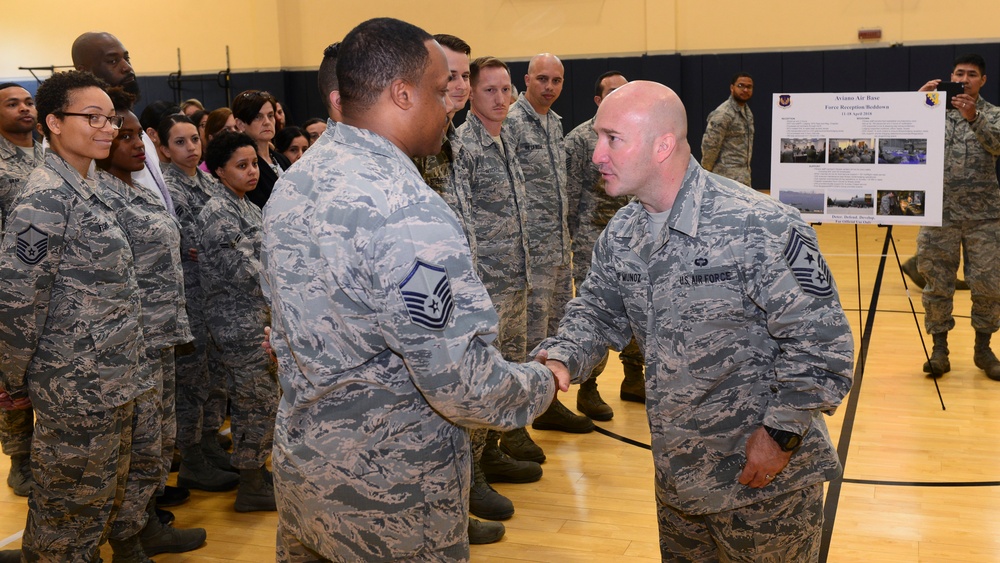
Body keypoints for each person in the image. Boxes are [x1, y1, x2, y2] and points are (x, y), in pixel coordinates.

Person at [261, 18, 564, 560]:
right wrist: (544, 380)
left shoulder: (297, 182)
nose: (451, 102)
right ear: (402, 93)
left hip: (307, 474)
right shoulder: (405, 208)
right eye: (438, 89)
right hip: (391, 497)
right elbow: (460, 382)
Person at [537, 81, 854, 561]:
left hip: (763, 486)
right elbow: (597, 312)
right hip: (679, 481)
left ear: (663, 144)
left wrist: (781, 437)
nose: (596, 154)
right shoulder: (623, 230)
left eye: (612, 138)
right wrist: (562, 358)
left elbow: (823, 347)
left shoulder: (761, 225)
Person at [0, 69, 142, 562]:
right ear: (54, 123)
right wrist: (13, 380)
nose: (107, 128)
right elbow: (19, 298)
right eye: (93, 117)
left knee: (94, 506)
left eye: (112, 118)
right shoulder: (44, 198)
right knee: (67, 515)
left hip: (108, 379)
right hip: (74, 386)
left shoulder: (88, 184)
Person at [95, 89, 207, 560]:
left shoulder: (138, 187)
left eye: (138, 134)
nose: (135, 143)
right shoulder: (99, 195)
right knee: (137, 447)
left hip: (161, 337)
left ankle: (145, 526)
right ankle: (127, 540)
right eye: (122, 137)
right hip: (132, 343)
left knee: (159, 444)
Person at [453, 55, 542, 526]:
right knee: (479, 380)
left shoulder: (506, 137)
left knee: (505, 369)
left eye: (507, 89)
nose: (502, 98)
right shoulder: (463, 144)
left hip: (516, 282)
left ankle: (490, 455)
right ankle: (468, 479)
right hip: (484, 287)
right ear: (470, 92)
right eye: (490, 90)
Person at [506, 52, 593, 435]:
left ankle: (549, 406)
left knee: (556, 332)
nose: (549, 88)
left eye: (556, 81)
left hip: (559, 250)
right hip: (530, 255)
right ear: (526, 80)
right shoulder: (510, 123)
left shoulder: (555, 124)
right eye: (542, 79)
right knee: (529, 336)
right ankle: (519, 424)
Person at [159, 115, 241, 494]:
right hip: (189, 296)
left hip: (217, 295)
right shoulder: (166, 188)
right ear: (163, 149)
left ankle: (208, 442)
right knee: (191, 380)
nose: (191, 147)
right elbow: (187, 243)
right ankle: (191, 457)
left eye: (194, 139)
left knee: (215, 374)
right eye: (180, 142)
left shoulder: (210, 181)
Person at [200, 131, 279, 512]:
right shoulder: (217, 212)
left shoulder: (245, 206)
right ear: (218, 171)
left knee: (263, 400)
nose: (251, 172)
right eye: (241, 166)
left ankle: (257, 472)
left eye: (253, 164)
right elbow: (247, 272)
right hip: (237, 324)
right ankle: (250, 483)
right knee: (253, 402)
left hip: (256, 319)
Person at [564, 70, 647, 421]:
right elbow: (565, 196)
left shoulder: (638, 136)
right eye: (613, 93)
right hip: (592, 241)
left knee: (637, 307)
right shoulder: (581, 140)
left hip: (636, 239)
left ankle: (633, 376)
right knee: (599, 314)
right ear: (598, 101)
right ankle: (589, 388)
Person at [916, 53, 1000, 379]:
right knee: (937, 285)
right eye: (959, 73)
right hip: (940, 213)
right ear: (951, 75)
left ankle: (983, 349)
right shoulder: (931, 111)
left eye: (972, 75)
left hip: (986, 216)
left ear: (983, 81)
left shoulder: (992, 114)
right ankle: (939, 350)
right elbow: (901, 136)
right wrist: (916, 104)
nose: (965, 79)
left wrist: (973, 116)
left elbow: (997, 144)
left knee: (989, 286)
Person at [72, 32, 174, 214]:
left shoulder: (133, 124)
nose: (126, 67)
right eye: (112, 61)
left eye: (127, 58)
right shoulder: (76, 132)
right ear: (84, 71)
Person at [0, 82, 44, 499]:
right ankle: (20, 461)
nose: (24, 109)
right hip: (11, 286)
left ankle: (48, 456)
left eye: (28, 101)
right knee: (12, 380)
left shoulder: (51, 155)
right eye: (12, 104)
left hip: (55, 284)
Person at [232, 89, 289, 208]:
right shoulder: (241, 164)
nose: (267, 122)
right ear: (240, 124)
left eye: (270, 116)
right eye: (258, 117)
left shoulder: (282, 159)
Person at [701, 72, 755, 186]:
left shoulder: (747, 113)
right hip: (724, 179)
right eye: (741, 85)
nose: (745, 90)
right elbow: (710, 146)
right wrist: (707, 173)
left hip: (743, 178)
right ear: (732, 88)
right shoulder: (723, 113)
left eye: (749, 87)